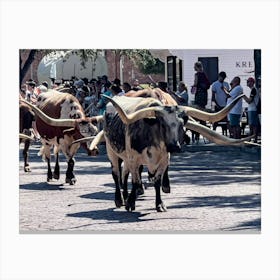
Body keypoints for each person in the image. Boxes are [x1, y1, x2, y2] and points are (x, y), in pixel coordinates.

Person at [191, 61, 210, 142]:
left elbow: (195, 84)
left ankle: (197, 134)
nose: (193, 68)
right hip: (204, 96)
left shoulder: (197, 75)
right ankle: (206, 134)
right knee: (203, 114)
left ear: (197, 67)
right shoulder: (204, 75)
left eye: (194, 66)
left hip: (199, 95)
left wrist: (193, 86)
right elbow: (208, 84)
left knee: (197, 115)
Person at [243, 77, 260, 143]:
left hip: (253, 109)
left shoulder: (253, 90)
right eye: (247, 81)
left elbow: (249, 101)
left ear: (252, 82)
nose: (247, 83)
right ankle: (252, 138)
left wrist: (243, 96)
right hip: (252, 109)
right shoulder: (253, 90)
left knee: (253, 125)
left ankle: (252, 139)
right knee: (253, 125)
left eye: (248, 81)